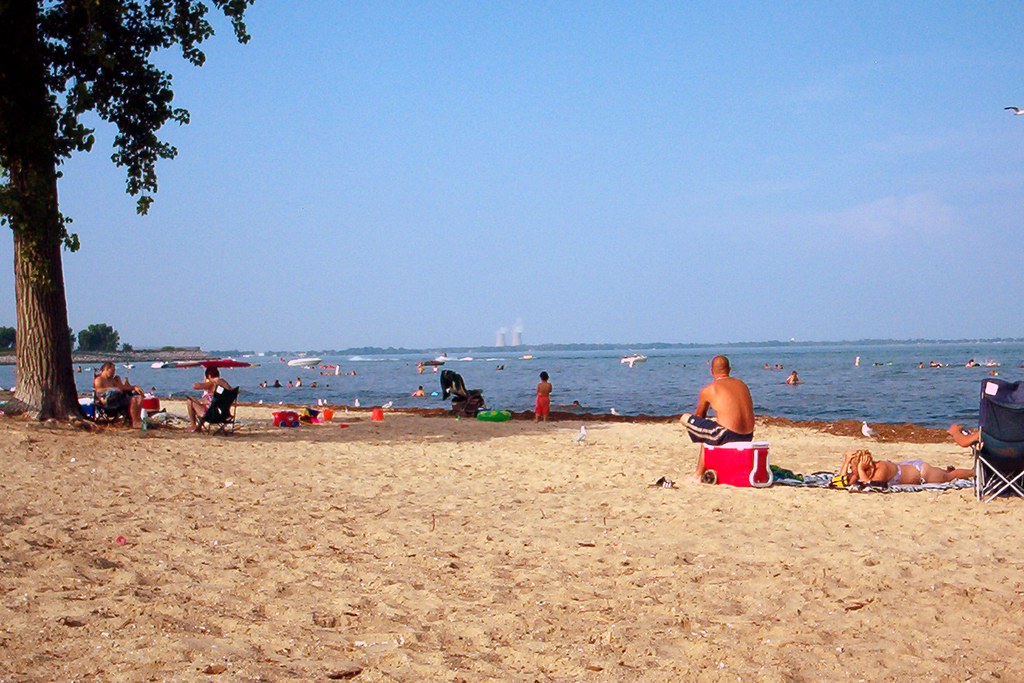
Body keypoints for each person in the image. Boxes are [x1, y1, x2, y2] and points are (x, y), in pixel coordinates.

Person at [681, 355, 755, 479]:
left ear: (711, 371)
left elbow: (699, 416)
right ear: (729, 369)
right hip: (748, 435)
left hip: (728, 435)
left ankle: (698, 475)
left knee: (687, 419)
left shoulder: (709, 389)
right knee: (709, 429)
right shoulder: (742, 384)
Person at [837, 449, 973, 486]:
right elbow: (838, 482)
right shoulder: (860, 472)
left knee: (949, 476)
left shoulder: (881, 468)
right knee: (945, 473)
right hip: (909, 467)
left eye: (851, 466)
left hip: (921, 473)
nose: (850, 469)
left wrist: (860, 469)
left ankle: (975, 472)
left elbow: (871, 486)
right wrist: (846, 460)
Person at [93, 361, 144, 427]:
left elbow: (122, 388)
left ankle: (137, 420)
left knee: (138, 398)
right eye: (113, 371)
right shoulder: (99, 379)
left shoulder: (112, 380)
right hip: (108, 402)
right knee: (131, 399)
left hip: (117, 400)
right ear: (106, 369)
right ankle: (135, 422)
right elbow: (98, 390)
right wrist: (111, 389)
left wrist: (134, 387)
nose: (114, 373)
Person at [186, 367, 232, 432]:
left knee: (190, 400)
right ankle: (198, 427)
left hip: (212, 415)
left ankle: (193, 426)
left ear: (209, 376)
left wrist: (205, 381)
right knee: (205, 402)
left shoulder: (212, 383)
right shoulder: (224, 383)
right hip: (224, 414)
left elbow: (195, 386)